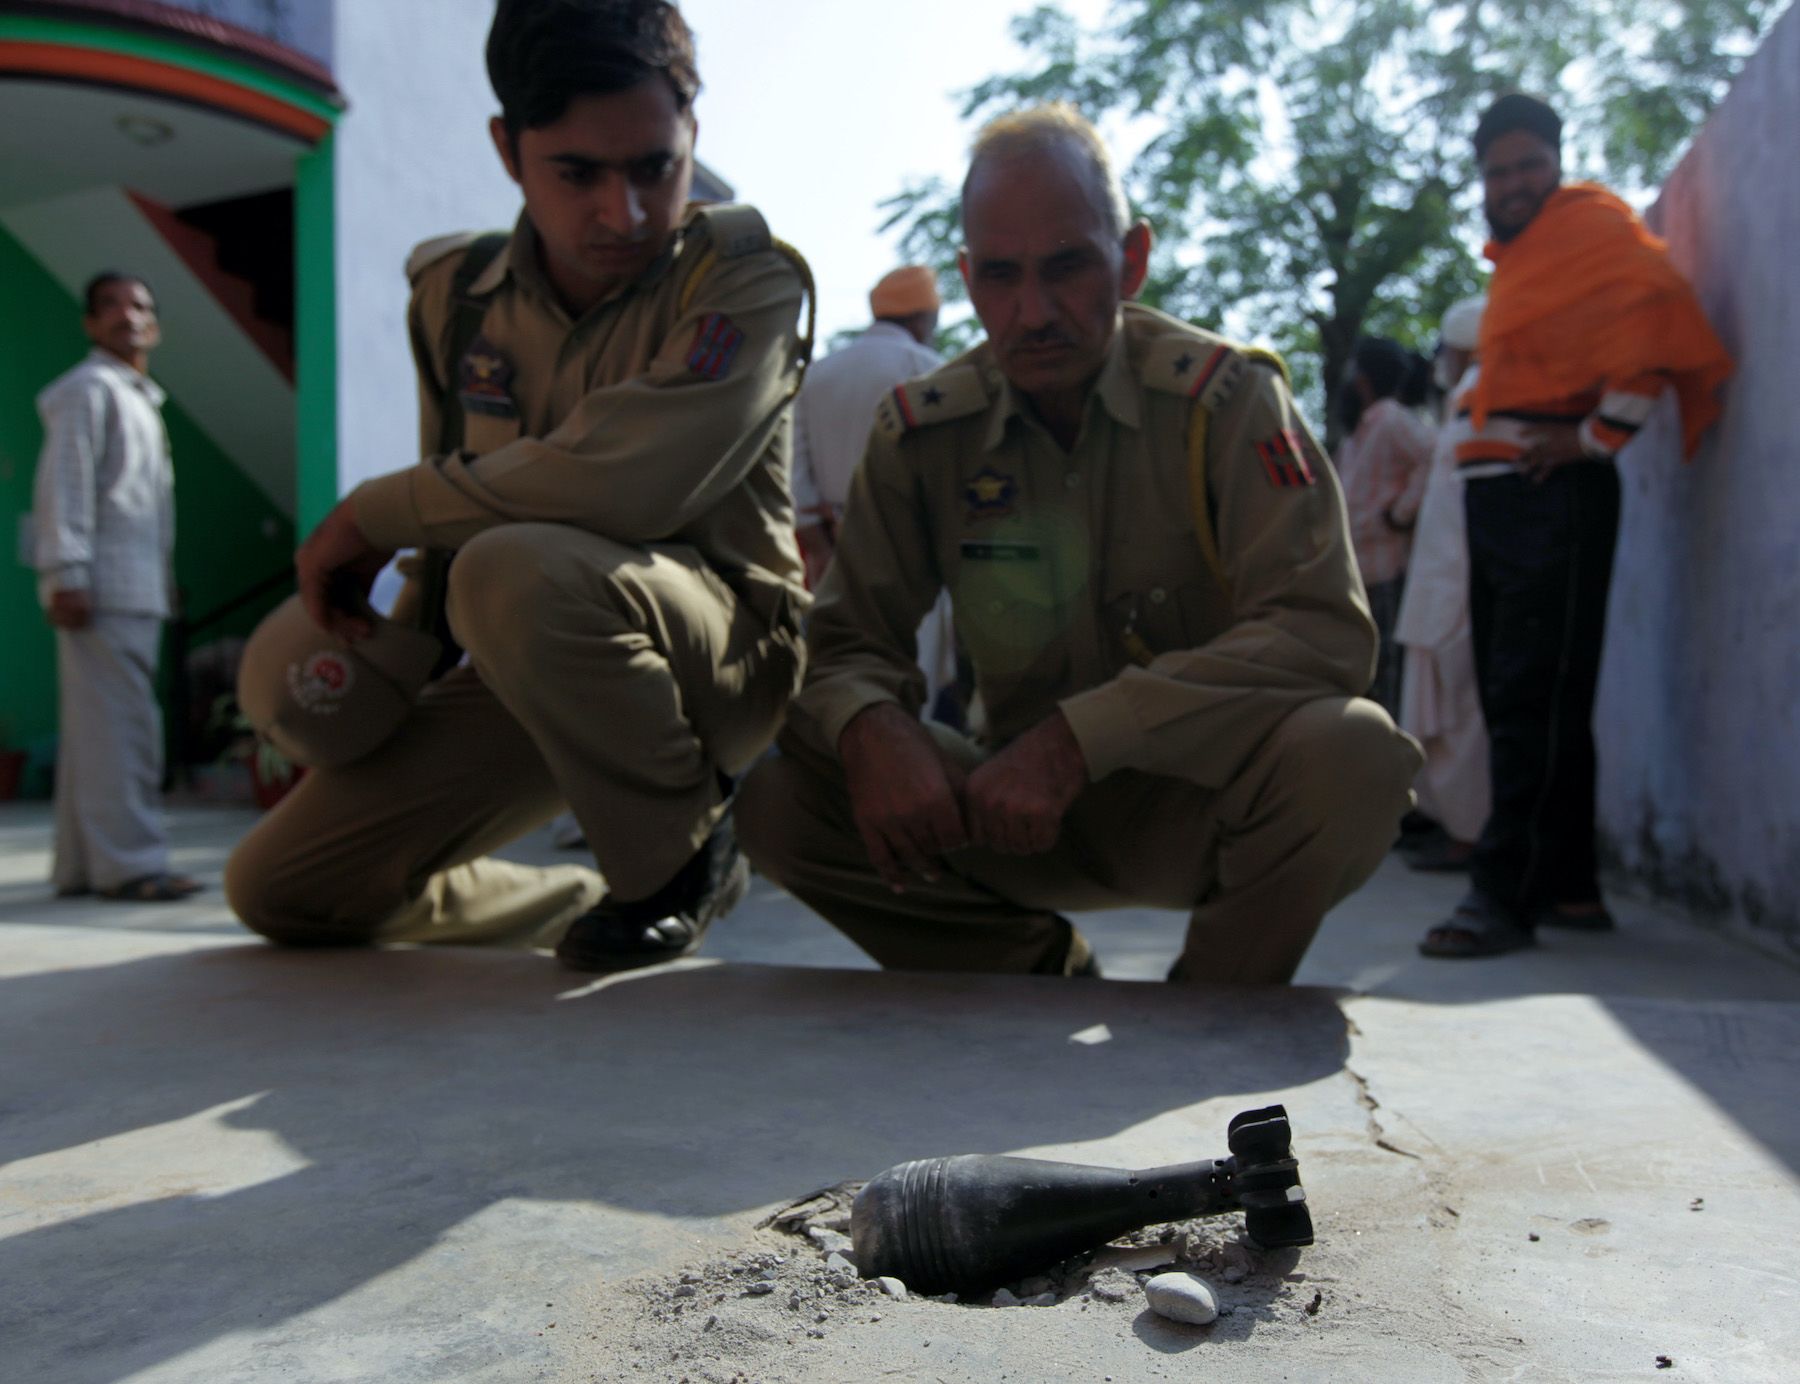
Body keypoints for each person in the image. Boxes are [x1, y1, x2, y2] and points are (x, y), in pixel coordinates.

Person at [736, 104, 1421, 985]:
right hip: (1008, 813)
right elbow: (843, 643)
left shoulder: (1227, 404)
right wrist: (872, 726)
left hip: (1209, 807)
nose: (1034, 312)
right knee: (782, 800)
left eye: (1067, 268)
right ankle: (1032, 979)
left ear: (1130, 260)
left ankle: (1213, 1004)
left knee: (1353, 753)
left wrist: (1077, 740)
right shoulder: (922, 432)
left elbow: (1323, 634)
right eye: (1000, 277)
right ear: (968, 281)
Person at [225, 0, 811, 970]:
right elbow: (450, 533)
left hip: (722, 657)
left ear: (692, 136)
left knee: (513, 567)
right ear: (508, 149)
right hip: (535, 649)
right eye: (577, 172)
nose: (621, 213)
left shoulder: (746, 281)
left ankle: (681, 852)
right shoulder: (455, 296)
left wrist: (373, 511)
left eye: (654, 168)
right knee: (287, 887)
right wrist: (383, 667)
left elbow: (629, 486)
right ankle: (585, 894)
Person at [1419, 94, 1734, 958]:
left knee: (1530, 699)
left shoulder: (1589, 224)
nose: (1513, 183)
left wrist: (1595, 437)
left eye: (1528, 164)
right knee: (1531, 695)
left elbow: (1655, 308)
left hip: (1548, 495)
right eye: (1497, 171)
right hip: (1501, 498)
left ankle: (1501, 898)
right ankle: (1571, 888)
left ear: (1557, 163)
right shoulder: (1521, 260)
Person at [30, 273, 200, 903]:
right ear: (90, 324)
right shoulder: (88, 391)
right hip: (99, 591)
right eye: (112, 306)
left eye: (141, 306)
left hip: (134, 587)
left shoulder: (137, 397)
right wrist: (66, 576)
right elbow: (65, 487)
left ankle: (81, 866)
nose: (128, 316)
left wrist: (163, 579)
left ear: (154, 325)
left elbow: (138, 505)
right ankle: (132, 865)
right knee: (123, 731)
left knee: (95, 734)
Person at [792, 266, 960, 716]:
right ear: (924, 318)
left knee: (834, 676)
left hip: (833, 551)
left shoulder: (817, 375)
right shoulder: (931, 374)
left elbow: (795, 477)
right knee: (912, 685)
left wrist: (820, 548)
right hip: (914, 555)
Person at [1394, 297, 1490, 873]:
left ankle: (1471, 833)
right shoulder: (1462, 399)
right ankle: (1455, 825)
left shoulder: (1483, 391)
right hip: (1439, 583)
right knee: (1444, 714)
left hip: (1457, 582)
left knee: (1462, 717)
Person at [1333, 336, 1435, 716]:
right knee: (1364, 673)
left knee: (1388, 673)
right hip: (1358, 574)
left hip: (1388, 569)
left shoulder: (1392, 419)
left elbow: (1433, 457)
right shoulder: (1360, 430)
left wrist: (1400, 514)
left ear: (1362, 378)